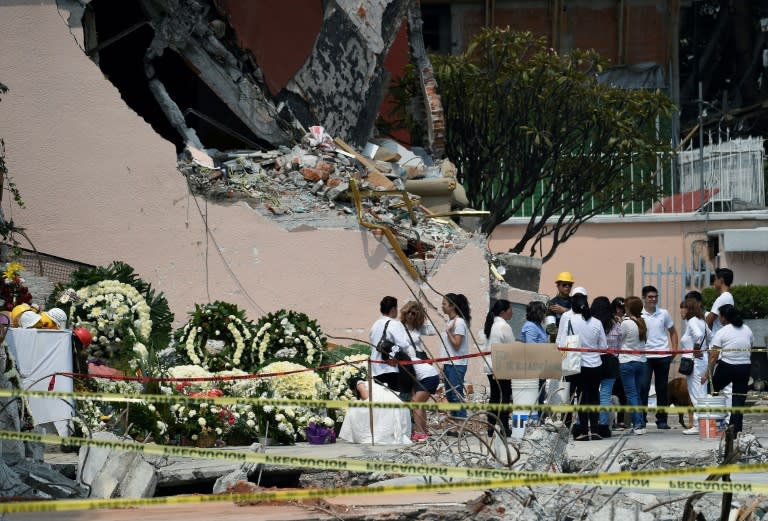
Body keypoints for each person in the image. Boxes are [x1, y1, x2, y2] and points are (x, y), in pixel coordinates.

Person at [701, 304, 753, 434]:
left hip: (727, 367)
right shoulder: (747, 329)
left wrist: (706, 375)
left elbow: (713, 358)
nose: (719, 319)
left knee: (712, 390)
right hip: (744, 368)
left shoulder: (722, 332)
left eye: (720, 317)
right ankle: (735, 431)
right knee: (738, 401)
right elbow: (750, 347)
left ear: (724, 317)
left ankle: (714, 422)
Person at [564, 294, 606, 441]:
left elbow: (564, 342)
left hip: (579, 364)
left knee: (581, 398)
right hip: (595, 365)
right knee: (594, 397)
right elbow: (604, 347)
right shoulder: (597, 322)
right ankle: (594, 431)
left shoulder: (570, 320)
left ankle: (582, 432)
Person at [399, 301, 440, 441]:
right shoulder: (399, 327)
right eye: (408, 312)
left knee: (417, 401)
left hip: (418, 364)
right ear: (404, 313)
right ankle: (422, 430)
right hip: (409, 365)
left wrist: (424, 315)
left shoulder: (417, 328)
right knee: (417, 401)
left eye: (414, 313)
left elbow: (432, 331)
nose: (410, 315)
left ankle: (421, 431)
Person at [640, 285, 679, 430]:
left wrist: (674, 350)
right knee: (643, 387)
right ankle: (641, 420)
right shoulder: (639, 314)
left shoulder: (664, 313)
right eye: (650, 297)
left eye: (655, 296)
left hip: (663, 356)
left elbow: (673, 332)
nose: (653, 299)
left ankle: (662, 420)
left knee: (662, 389)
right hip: (645, 357)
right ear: (644, 298)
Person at [337, 379, 412, 444]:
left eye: (353, 391)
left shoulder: (359, 383)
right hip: (395, 403)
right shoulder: (371, 384)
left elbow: (366, 397)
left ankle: (361, 435)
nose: (353, 393)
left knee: (353, 408)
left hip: (385, 403)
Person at [591, 296, 624, 439]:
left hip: (593, 361)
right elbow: (620, 344)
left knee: (591, 394)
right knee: (605, 395)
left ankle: (588, 423)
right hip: (611, 361)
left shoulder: (591, 323)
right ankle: (604, 426)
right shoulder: (615, 324)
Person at [679, 294, 712, 435]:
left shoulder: (692, 321)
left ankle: (699, 425)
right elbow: (711, 337)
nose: (681, 311)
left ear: (689, 309)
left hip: (695, 362)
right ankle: (704, 423)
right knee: (702, 393)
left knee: (696, 394)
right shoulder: (702, 321)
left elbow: (698, 335)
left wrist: (696, 348)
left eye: (683, 308)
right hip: (702, 360)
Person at [482, 299, 515, 437]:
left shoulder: (491, 324)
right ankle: (504, 428)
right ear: (503, 312)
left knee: (495, 397)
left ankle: (491, 427)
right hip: (501, 366)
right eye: (510, 309)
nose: (511, 312)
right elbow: (511, 347)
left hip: (490, 365)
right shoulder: (504, 326)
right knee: (504, 397)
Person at [440, 293, 471, 426]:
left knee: (456, 395)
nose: (442, 307)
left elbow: (457, 345)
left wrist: (448, 332)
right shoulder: (450, 322)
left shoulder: (459, 322)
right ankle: (455, 425)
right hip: (448, 364)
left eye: (444, 304)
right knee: (451, 396)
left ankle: (462, 426)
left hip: (457, 364)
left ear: (452, 306)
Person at [619, 296, 649, 435]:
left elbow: (620, 339)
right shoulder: (643, 322)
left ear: (629, 309)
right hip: (641, 361)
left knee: (631, 395)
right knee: (637, 394)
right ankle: (641, 422)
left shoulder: (626, 323)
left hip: (627, 361)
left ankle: (637, 424)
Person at [369, 296, 410, 393]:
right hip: (390, 368)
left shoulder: (375, 325)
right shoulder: (394, 324)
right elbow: (404, 345)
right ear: (393, 309)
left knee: (380, 400)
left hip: (375, 369)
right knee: (393, 400)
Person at [520, 300, 549, 408]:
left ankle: (538, 418)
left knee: (540, 393)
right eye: (543, 312)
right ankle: (532, 417)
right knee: (534, 394)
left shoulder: (538, 326)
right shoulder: (530, 326)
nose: (544, 315)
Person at [546, 271, 575, 339]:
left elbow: (581, 319)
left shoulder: (575, 302)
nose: (567, 287)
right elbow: (551, 329)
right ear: (558, 286)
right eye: (564, 284)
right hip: (556, 343)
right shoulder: (552, 303)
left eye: (570, 284)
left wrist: (565, 311)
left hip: (572, 342)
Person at [706, 268, 734, 334]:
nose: (714, 282)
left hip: (718, 339)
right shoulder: (728, 296)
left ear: (721, 280)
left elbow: (708, 320)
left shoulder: (723, 298)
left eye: (715, 279)